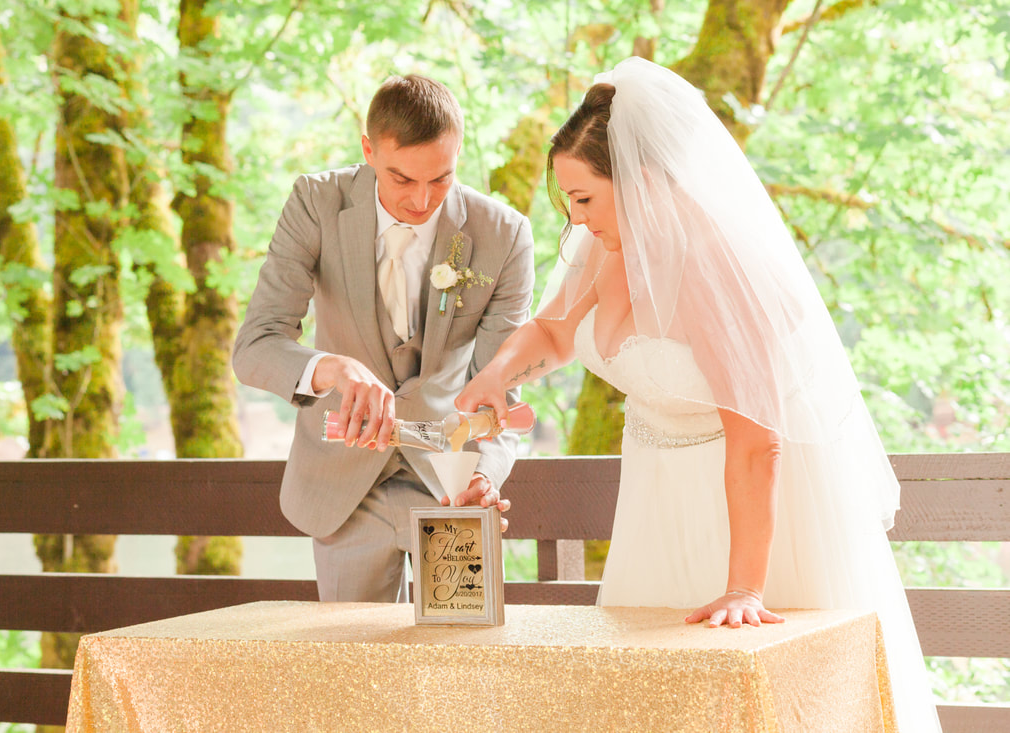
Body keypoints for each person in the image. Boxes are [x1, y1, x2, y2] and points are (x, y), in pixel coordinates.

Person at [456, 57, 940, 731]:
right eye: (568, 202)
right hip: (656, 501)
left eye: (586, 198)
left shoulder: (716, 265)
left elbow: (757, 442)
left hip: (743, 514)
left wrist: (744, 587)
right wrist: (496, 373)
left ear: (642, 180)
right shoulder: (604, 245)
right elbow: (552, 330)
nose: (577, 217)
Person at [233, 74, 535, 604]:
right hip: (343, 487)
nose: (421, 200)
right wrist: (333, 368)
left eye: (441, 180)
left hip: (452, 482)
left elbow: (500, 393)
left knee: (462, 666)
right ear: (369, 149)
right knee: (355, 676)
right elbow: (255, 345)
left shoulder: (504, 235)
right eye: (401, 178)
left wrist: (483, 476)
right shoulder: (315, 203)